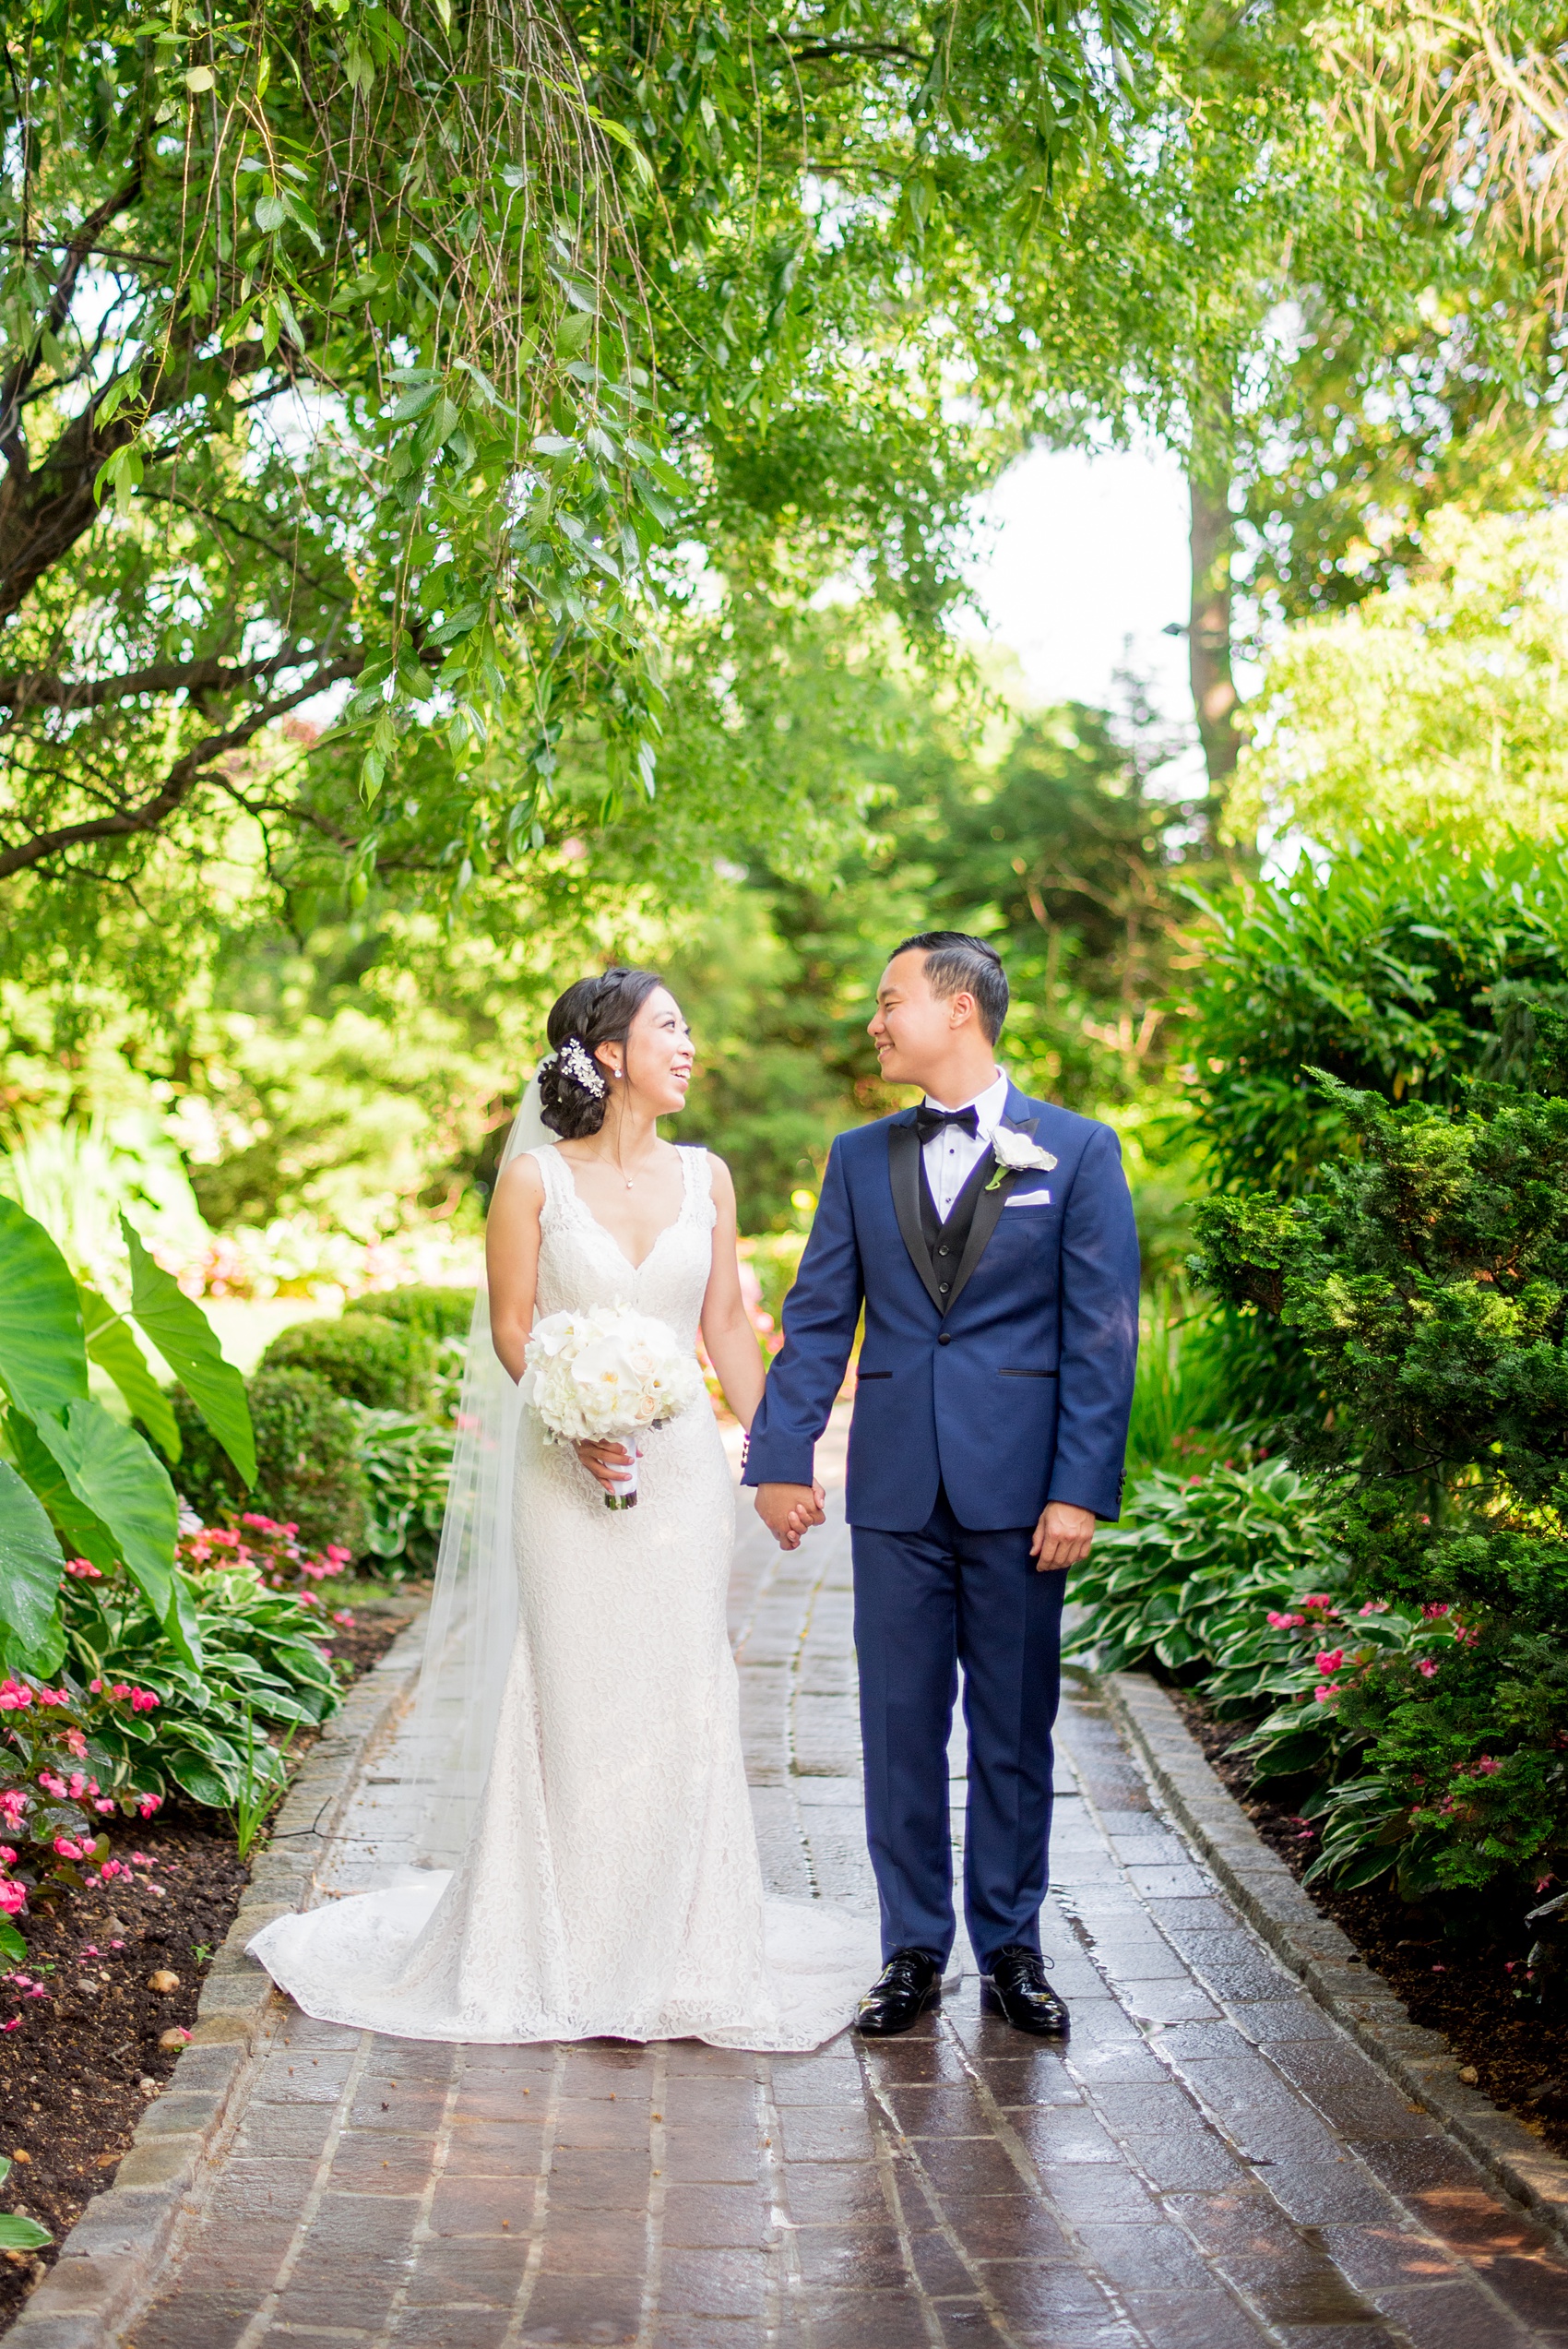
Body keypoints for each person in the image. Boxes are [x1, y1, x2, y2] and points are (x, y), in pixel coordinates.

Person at [250, 967, 874, 2048]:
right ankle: (550, 1941)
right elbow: (513, 1325)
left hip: (678, 1473)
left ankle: (684, 1947)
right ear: (611, 1052)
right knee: (573, 1688)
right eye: (670, 1026)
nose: (689, 1044)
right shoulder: (533, 1180)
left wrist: (780, 1455)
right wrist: (570, 1406)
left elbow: (726, 1321)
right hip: (563, 1468)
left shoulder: (707, 1176)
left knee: (683, 1685)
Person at [743, 933, 1139, 2038]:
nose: (873, 1022)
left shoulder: (1077, 1151)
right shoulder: (857, 1157)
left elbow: (1101, 1338)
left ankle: (1011, 1944)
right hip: (896, 1493)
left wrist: (1078, 1488)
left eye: (889, 1000)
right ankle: (910, 1947)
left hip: (1023, 1499)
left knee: (1013, 1728)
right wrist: (779, 1456)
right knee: (897, 1725)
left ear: (957, 1009)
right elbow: (817, 1319)